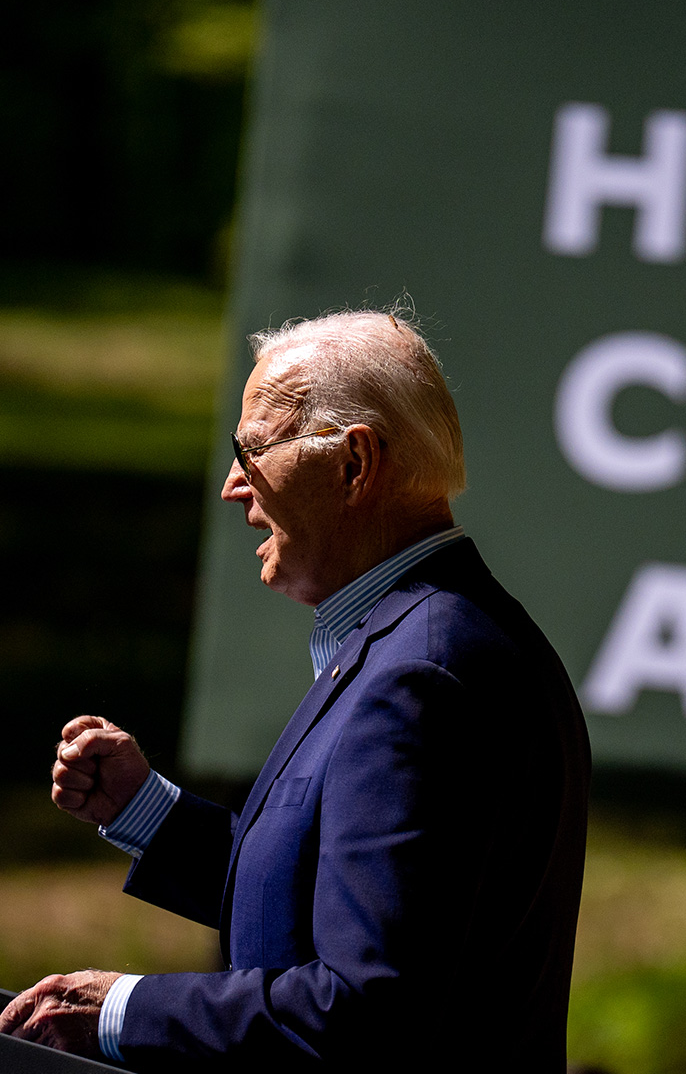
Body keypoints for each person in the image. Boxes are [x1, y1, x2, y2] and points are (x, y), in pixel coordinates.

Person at [0, 310, 591, 1070]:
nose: (232, 485)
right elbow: (324, 906)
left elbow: (365, 1009)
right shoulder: (437, 639)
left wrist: (123, 1009)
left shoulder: (422, 676)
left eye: (251, 449)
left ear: (355, 464)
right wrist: (148, 811)